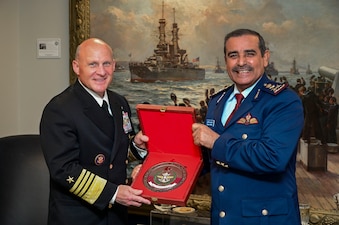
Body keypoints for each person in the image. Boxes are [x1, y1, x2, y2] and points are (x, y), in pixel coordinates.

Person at [192, 29, 304, 225]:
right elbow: (206, 159)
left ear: (265, 57)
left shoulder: (284, 102)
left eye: (249, 54)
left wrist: (216, 142)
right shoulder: (217, 102)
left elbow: (272, 158)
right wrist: (158, 165)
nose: (241, 62)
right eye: (233, 55)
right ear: (226, 60)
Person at [40, 38, 151, 225]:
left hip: (116, 216)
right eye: (93, 64)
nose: (101, 72)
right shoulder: (59, 109)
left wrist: (136, 147)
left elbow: (114, 155)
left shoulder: (119, 103)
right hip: (79, 217)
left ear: (114, 66)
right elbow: (64, 169)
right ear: (76, 67)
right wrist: (113, 193)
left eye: (106, 63)